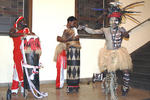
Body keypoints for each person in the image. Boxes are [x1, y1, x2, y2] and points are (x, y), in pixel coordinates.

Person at [78, 4, 133, 96]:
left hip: (120, 53)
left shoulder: (121, 30)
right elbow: (94, 31)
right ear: (109, 20)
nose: (113, 22)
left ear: (118, 21)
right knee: (109, 72)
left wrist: (125, 33)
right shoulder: (105, 29)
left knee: (126, 71)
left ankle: (125, 87)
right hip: (108, 53)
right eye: (111, 20)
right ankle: (108, 86)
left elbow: (127, 36)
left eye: (115, 20)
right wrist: (84, 28)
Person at [54, 16, 81, 92]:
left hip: (72, 49)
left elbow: (77, 37)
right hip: (63, 48)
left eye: (76, 23)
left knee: (73, 66)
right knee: (61, 66)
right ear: (69, 22)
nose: (75, 24)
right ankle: (59, 84)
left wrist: (76, 38)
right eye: (74, 22)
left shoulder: (75, 29)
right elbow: (58, 38)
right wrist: (67, 39)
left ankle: (73, 84)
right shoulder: (62, 28)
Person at [9, 16, 34, 95]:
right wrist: (23, 34)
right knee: (18, 69)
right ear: (18, 22)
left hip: (25, 53)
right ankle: (17, 88)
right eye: (23, 21)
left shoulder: (26, 29)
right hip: (17, 52)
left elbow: (32, 35)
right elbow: (11, 34)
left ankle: (20, 88)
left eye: (25, 20)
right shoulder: (14, 29)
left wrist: (29, 34)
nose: (25, 22)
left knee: (22, 70)